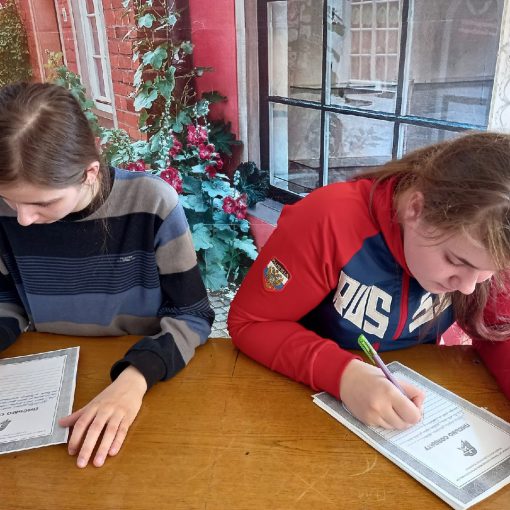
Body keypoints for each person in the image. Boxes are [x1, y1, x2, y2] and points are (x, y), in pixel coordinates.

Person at [228, 131, 510, 430]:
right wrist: (343, 375)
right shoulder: (328, 220)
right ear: (415, 209)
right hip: (302, 398)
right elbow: (251, 322)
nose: (468, 287)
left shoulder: (491, 239)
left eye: (490, 271)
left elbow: (501, 334)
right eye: (456, 261)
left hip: (410, 405)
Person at [0, 82, 214, 467]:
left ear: (90, 172)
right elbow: (8, 302)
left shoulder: (153, 203)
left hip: (144, 373)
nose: (23, 218)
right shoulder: (9, 210)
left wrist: (134, 379)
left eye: (42, 203)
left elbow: (193, 315)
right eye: (10, 200)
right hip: (41, 376)